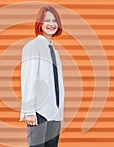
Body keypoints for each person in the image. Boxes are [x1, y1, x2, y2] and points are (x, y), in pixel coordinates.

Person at [20, 6, 65, 147]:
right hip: (39, 112)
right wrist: (29, 111)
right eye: (47, 20)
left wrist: (59, 111)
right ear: (40, 23)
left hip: (55, 112)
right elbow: (28, 78)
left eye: (54, 20)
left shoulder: (55, 52)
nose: (51, 24)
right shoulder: (32, 46)